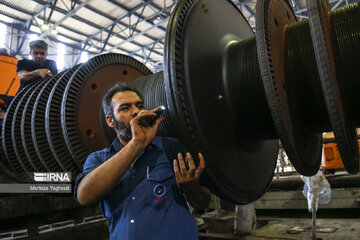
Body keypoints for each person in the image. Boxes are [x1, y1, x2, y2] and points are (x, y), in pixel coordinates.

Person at [74, 83, 211, 240]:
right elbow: (85, 197)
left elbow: (203, 203)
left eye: (139, 106)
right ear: (110, 121)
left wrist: (192, 189)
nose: (136, 112)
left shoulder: (170, 147)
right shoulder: (99, 159)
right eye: (125, 108)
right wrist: (137, 143)